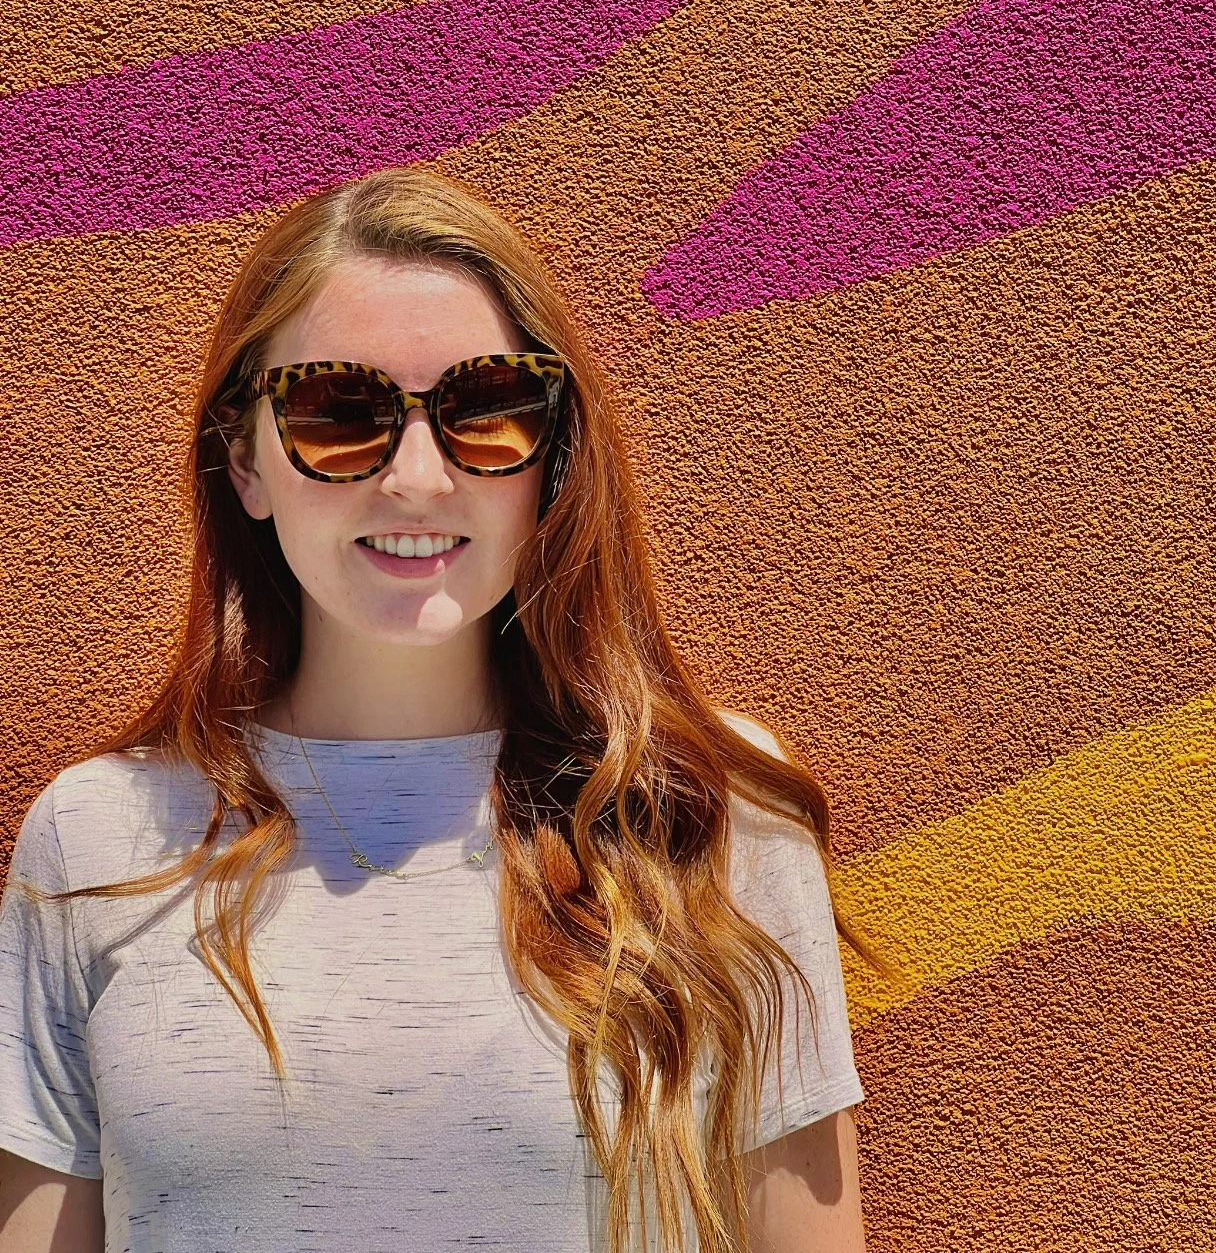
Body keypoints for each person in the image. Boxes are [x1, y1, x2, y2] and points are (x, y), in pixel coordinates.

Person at [0, 165, 895, 1253]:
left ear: (549, 452)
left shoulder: (707, 808)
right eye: (339, 413)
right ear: (245, 458)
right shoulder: (99, 838)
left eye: (487, 408)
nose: (418, 478)